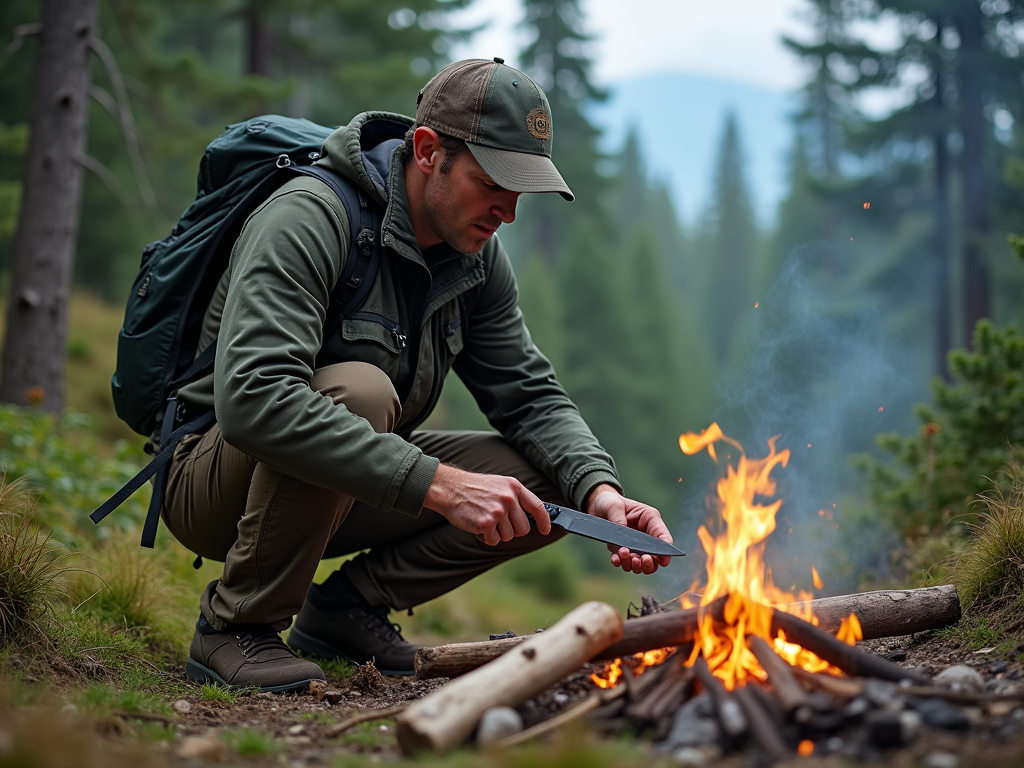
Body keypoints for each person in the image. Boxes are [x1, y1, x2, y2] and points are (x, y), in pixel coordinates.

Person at [161, 57, 675, 692]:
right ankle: (234, 628)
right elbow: (255, 399)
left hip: (340, 484)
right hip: (215, 479)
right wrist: (442, 486)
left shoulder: (476, 257)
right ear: (429, 151)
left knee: (552, 483)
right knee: (360, 393)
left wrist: (600, 492)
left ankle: (346, 610)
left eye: (522, 190)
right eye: (493, 183)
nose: (507, 212)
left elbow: (531, 395)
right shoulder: (310, 215)